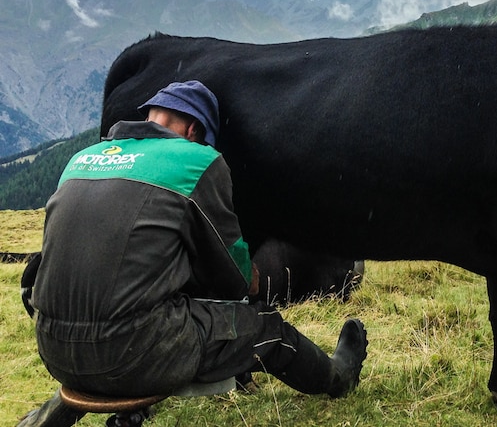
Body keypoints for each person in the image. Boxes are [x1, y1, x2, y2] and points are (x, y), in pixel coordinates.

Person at [21, 80, 367, 422]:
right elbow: (232, 280)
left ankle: (45, 419)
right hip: (131, 355)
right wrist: (250, 278)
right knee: (263, 327)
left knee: (110, 323)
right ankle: (339, 376)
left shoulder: (83, 159)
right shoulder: (195, 160)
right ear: (192, 129)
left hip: (53, 348)